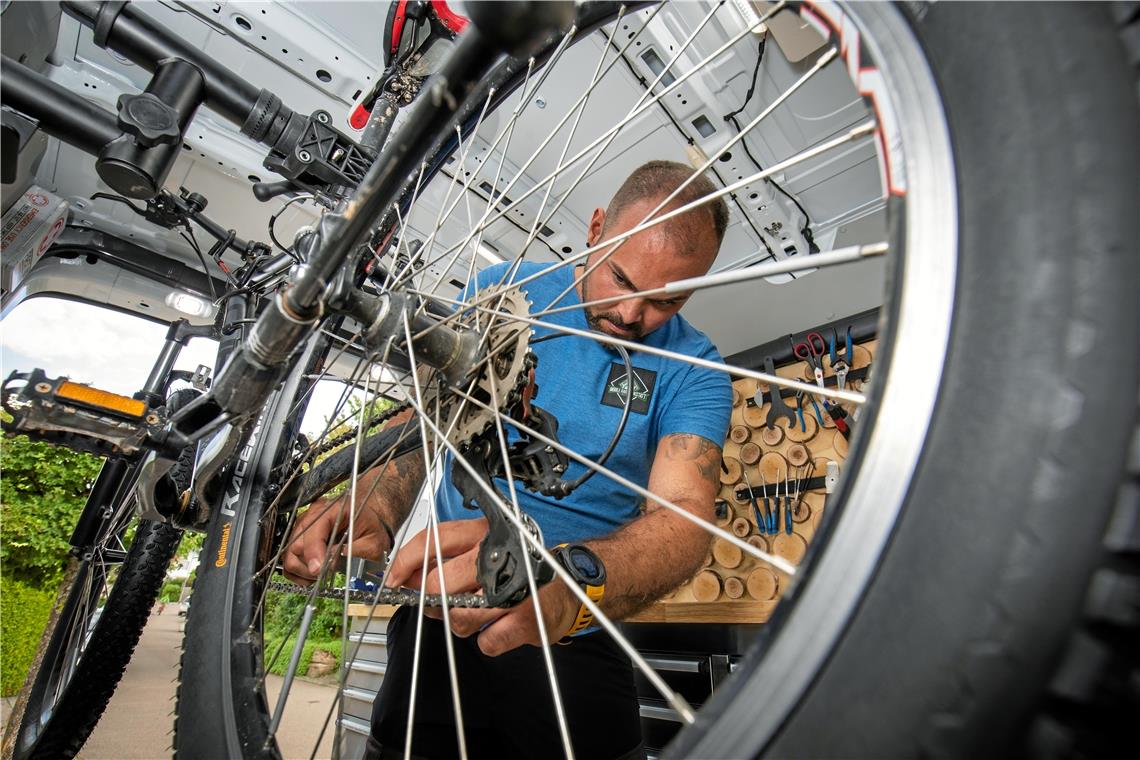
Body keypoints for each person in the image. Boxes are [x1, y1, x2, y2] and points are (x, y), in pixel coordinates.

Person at [284, 160, 732, 759]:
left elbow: (684, 516)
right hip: (441, 608)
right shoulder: (503, 291)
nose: (631, 316)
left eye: (665, 300)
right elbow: (429, 415)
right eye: (621, 279)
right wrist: (379, 502)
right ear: (596, 228)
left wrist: (566, 583)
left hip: (572, 623)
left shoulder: (697, 369)